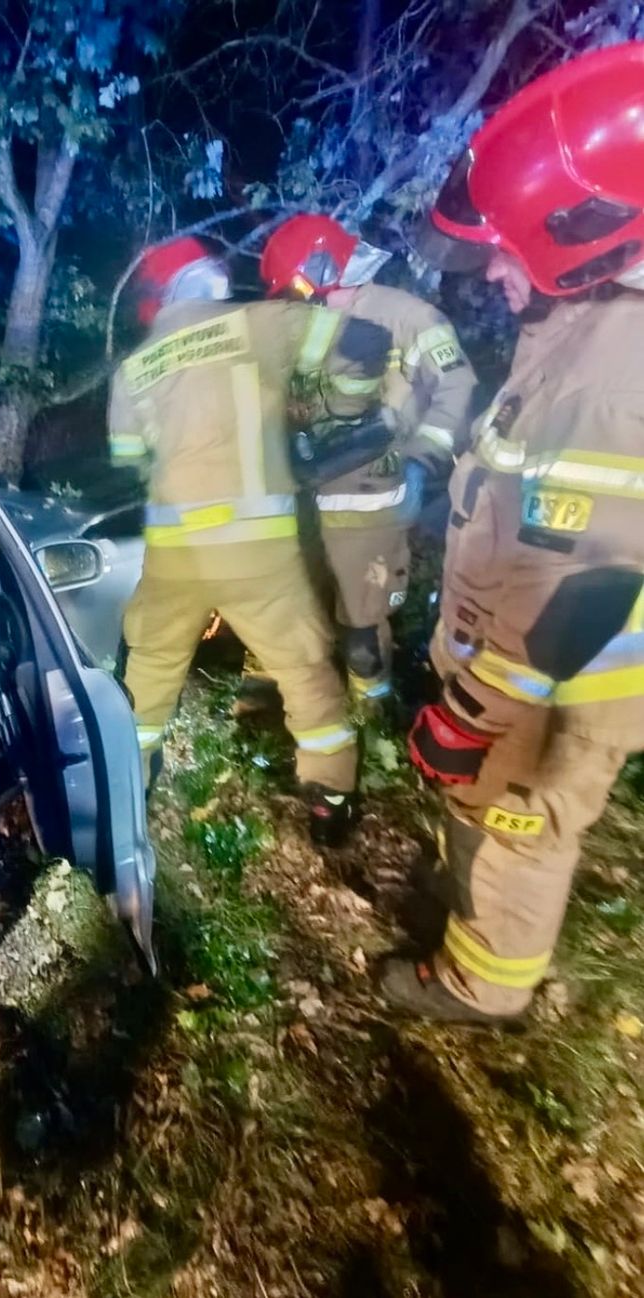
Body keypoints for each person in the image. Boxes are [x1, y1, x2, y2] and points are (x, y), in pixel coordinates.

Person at [379, 41, 644, 1023]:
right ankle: (491, 944)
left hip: (558, 673)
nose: (493, 268)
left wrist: (476, 706)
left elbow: (582, 573)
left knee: (518, 821)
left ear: (589, 229)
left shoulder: (617, 369)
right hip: (533, 662)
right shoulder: (585, 328)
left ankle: (483, 987)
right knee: (501, 813)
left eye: (509, 244)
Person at [109, 236, 392, 845]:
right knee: (302, 667)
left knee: (151, 665)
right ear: (208, 277)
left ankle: (129, 785)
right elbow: (365, 344)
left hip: (175, 554)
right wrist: (344, 415)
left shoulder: (133, 368)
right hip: (256, 550)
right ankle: (329, 797)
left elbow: (127, 458)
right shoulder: (257, 323)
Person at [259, 214, 477, 703]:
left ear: (322, 270)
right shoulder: (317, 325)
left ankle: (373, 714)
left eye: (300, 289)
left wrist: (422, 459)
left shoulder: (410, 318)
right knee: (318, 604)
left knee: (362, 620)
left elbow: (457, 384)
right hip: (320, 489)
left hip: (379, 492)